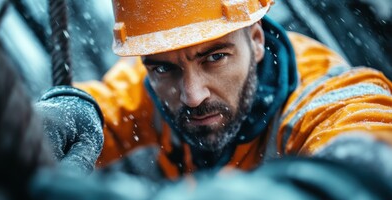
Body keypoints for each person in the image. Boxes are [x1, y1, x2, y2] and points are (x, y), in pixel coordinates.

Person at [36, 0, 392, 180]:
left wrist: (342, 194)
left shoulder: (318, 93)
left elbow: (366, 133)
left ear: (255, 40)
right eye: (164, 67)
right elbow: (110, 104)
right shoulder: (151, 86)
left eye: (215, 57)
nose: (192, 96)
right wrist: (74, 110)